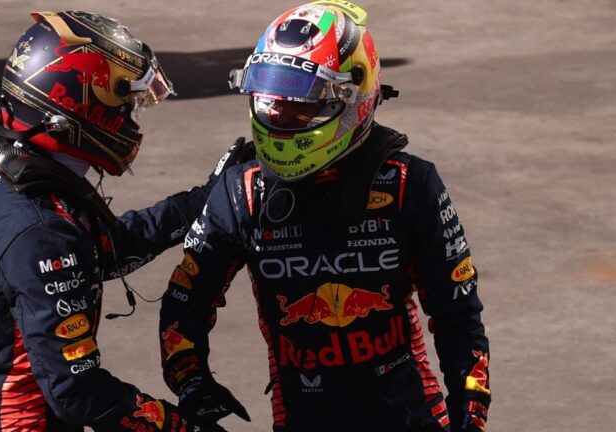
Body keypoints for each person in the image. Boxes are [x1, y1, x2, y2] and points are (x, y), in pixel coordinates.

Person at [158, 1, 490, 431]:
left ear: (354, 100)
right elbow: (186, 300)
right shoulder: (243, 189)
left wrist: (471, 411)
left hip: (411, 417)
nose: (279, 113)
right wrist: (192, 381)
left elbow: (457, 314)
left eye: (301, 102)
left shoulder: (411, 184)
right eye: (271, 97)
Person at [0, 10, 249, 432]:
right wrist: (181, 427)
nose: (131, 119)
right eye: (127, 105)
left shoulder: (18, 177)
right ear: (79, 107)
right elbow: (77, 392)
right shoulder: (40, 229)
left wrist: (203, 198)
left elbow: (102, 250)